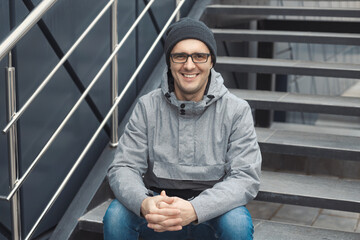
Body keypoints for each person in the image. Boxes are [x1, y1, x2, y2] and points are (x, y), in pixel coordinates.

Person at [103, 17, 262, 240]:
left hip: (211, 211)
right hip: (158, 209)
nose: (189, 65)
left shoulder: (236, 110)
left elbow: (245, 176)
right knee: (117, 217)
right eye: (180, 56)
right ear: (170, 61)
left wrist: (196, 210)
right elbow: (124, 167)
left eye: (199, 56)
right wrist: (145, 202)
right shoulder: (147, 107)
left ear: (211, 62)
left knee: (236, 223)